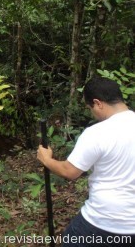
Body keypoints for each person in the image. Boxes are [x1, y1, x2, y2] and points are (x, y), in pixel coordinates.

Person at [37, 77, 135, 247]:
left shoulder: (97, 133)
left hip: (103, 220)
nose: (92, 113)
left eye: (90, 108)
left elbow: (70, 171)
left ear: (98, 103)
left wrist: (47, 159)